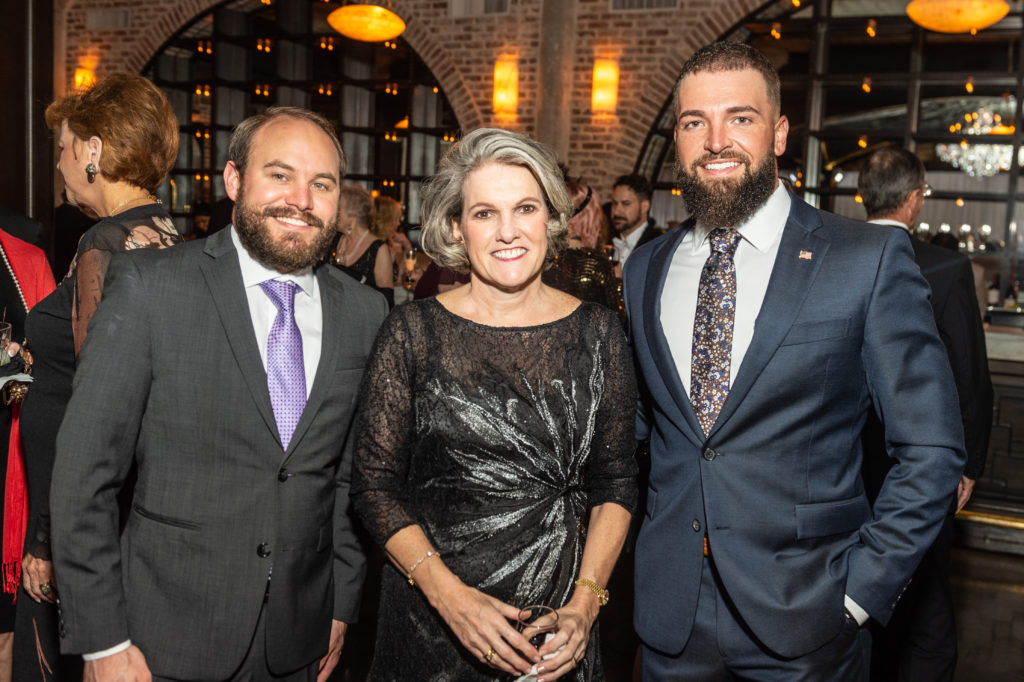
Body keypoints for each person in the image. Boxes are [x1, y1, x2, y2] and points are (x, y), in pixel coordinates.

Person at [623, 41, 966, 680]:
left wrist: (859, 595)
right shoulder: (647, 266)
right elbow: (645, 430)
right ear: (678, 139)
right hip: (670, 620)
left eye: (740, 118)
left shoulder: (865, 259)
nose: (716, 140)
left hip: (808, 621)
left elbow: (933, 450)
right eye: (696, 122)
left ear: (778, 133)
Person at [49, 106, 387, 681]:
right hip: (160, 642)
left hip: (299, 643)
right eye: (280, 175)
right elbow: (84, 475)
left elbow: (349, 478)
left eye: (321, 183)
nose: (301, 198)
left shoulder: (364, 311)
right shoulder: (152, 288)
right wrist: (101, 640)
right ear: (234, 180)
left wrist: (340, 603)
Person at [352, 127, 638, 681]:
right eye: (485, 213)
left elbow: (617, 482)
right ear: (457, 227)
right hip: (433, 624)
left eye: (525, 208)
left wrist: (585, 605)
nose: (508, 231)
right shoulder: (412, 333)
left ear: (550, 218)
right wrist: (452, 600)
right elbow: (373, 486)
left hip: (558, 630)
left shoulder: (600, 335)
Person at [13, 72, 182, 680]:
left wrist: (49, 540)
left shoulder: (103, 245)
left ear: (92, 151)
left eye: (63, 146)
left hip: (78, 517)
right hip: (125, 510)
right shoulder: (167, 235)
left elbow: (97, 411)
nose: (57, 164)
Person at [858, 146, 993, 682]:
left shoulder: (829, 255)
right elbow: (969, 378)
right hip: (919, 465)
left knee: (859, 592)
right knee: (929, 610)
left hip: (844, 465)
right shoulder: (946, 266)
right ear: (914, 200)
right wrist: (968, 466)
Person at [0, 227, 55, 682]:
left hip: (8, 453)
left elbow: (57, 359)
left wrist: (23, 358)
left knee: (3, 624)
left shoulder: (24, 256)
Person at [543, 181, 623, 319]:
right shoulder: (596, 262)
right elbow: (617, 319)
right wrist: (618, 282)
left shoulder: (539, 256)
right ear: (589, 218)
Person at [332, 184, 395, 307]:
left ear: (352, 214)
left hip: (363, 319)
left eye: (339, 209)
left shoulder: (378, 249)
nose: (335, 213)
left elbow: (386, 300)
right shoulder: (334, 240)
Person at [609, 174, 659, 266]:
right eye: (614, 203)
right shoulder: (606, 240)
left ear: (644, 207)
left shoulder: (658, 245)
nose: (616, 211)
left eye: (626, 204)